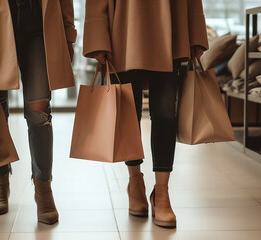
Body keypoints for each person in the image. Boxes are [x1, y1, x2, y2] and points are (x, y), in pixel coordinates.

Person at [83, 0, 208, 228]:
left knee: (166, 114)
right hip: (123, 27)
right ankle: (135, 182)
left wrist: (195, 31)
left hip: (169, 25)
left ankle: (161, 193)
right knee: (128, 114)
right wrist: (98, 37)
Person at [0, 0, 76, 225]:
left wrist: (68, 31)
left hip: (40, 23)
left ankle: (43, 188)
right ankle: (0, 179)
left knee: (39, 111)